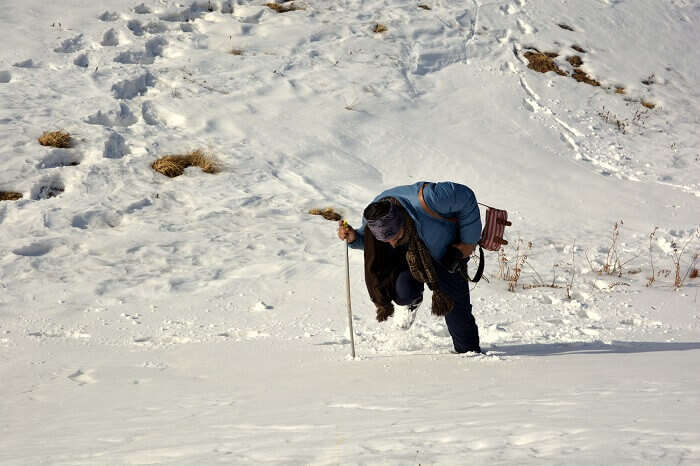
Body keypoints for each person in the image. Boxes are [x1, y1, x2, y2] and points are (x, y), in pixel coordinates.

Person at [338, 181, 483, 354]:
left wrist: (468, 242)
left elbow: (466, 196)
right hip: (409, 258)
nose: (391, 244)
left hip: (448, 253)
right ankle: (412, 302)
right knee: (402, 291)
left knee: (456, 312)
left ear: (402, 221)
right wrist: (355, 238)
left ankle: (469, 355)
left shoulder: (430, 198)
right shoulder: (374, 215)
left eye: (396, 237)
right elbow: (370, 242)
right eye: (386, 241)